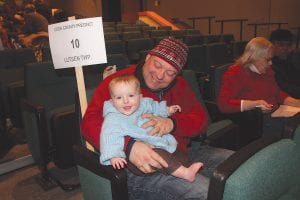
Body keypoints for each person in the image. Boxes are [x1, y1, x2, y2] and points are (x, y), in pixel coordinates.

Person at [82, 36, 233, 199]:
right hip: (137, 167)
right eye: (157, 65)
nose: (160, 75)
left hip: (180, 151)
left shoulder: (181, 85)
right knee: (206, 192)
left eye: (170, 73)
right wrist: (129, 146)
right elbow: (89, 122)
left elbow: (201, 120)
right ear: (148, 58)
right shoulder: (119, 83)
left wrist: (173, 123)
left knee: (238, 166)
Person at [100, 74, 203, 182]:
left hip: (157, 142)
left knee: (177, 153)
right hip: (139, 160)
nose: (126, 101)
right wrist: (114, 156)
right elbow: (109, 138)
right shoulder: (113, 119)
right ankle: (185, 174)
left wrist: (168, 110)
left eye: (131, 96)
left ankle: (187, 168)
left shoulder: (143, 103)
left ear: (140, 97)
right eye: (119, 97)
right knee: (160, 156)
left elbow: (155, 107)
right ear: (112, 101)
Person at [217, 36, 300, 136]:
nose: (270, 63)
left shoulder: (266, 70)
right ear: (255, 58)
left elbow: (276, 93)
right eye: (267, 59)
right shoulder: (235, 72)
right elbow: (223, 105)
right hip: (255, 121)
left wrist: (295, 102)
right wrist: (254, 104)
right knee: (293, 130)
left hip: (276, 114)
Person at [270, 29, 300, 98]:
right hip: (284, 99)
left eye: (288, 45)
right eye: (281, 45)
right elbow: (281, 86)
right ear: (272, 45)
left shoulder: (294, 60)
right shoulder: (269, 63)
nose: (285, 48)